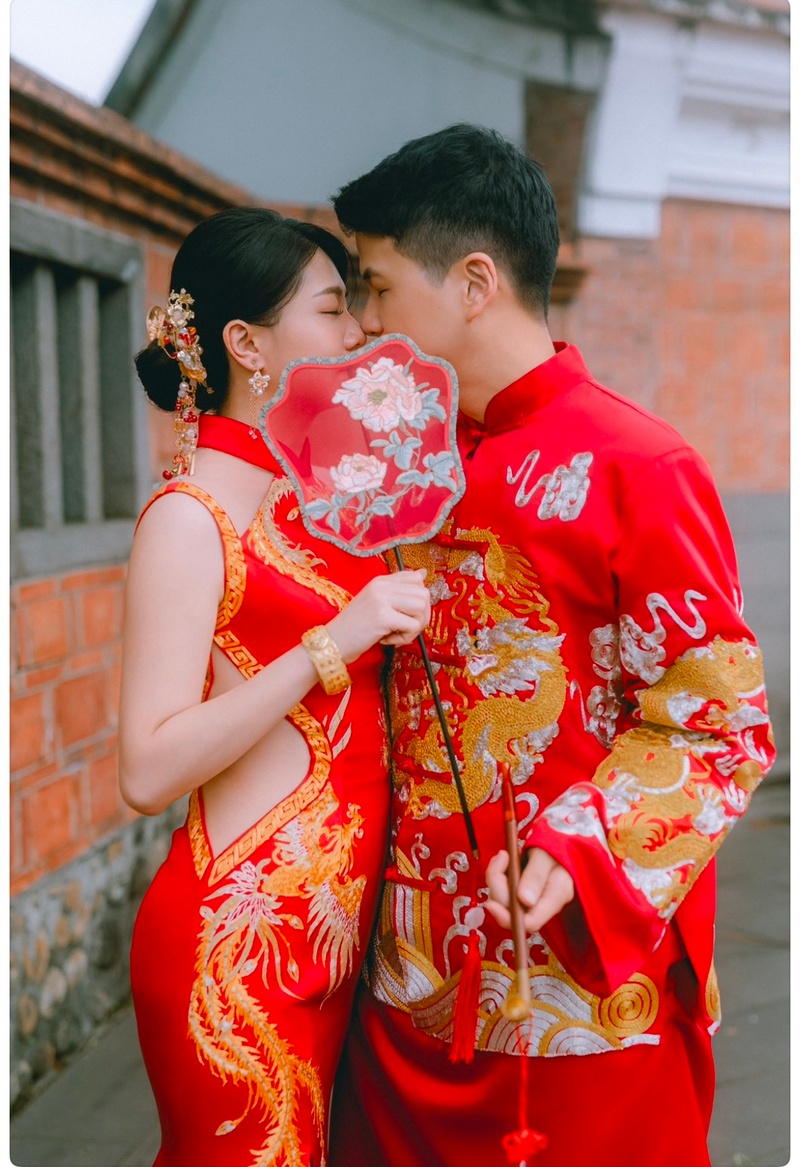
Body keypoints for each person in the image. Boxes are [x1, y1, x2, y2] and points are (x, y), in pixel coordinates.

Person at [327, 124, 775, 1167]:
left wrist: (578, 850)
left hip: (569, 980)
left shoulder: (636, 466)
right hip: (408, 974)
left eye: (379, 286)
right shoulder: (396, 468)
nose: (365, 320)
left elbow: (716, 723)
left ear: (474, 282)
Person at [119, 206, 431, 1167]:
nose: (359, 328)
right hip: (238, 946)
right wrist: (328, 645)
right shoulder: (189, 516)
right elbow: (146, 766)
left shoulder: (325, 502)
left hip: (340, 935)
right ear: (247, 343)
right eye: (332, 308)